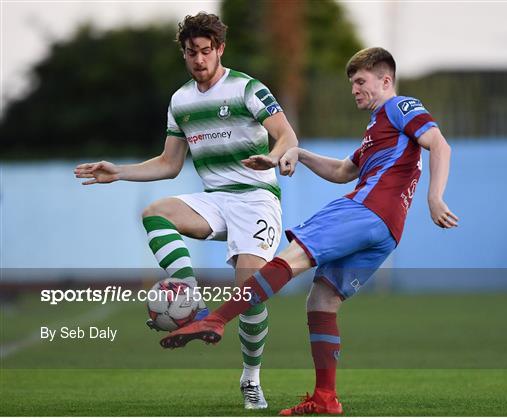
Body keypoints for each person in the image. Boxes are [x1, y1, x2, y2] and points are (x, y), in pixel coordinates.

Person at [160, 47, 459, 415]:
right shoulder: (376, 129)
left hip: (365, 210)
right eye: (352, 83)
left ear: (386, 80)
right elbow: (343, 172)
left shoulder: (399, 107)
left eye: (361, 81)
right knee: (322, 300)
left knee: (293, 257)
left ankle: (215, 318)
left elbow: (439, 143)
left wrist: (435, 197)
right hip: (386, 230)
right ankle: (325, 399)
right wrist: (298, 153)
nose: (355, 89)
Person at [74, 12, 298, 410]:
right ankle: (189, 296)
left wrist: (274, 156)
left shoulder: (247, 88)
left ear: (220, 50)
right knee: (156, 212)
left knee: (250, 293)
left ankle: (250, 379)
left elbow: (286, 134)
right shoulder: (180, 101)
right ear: (184, 53)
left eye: (206, 51)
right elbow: (169, 163)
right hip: (215, 199)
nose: (199, 59)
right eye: (192, 52)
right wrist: (119, 172)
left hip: (257, 198)